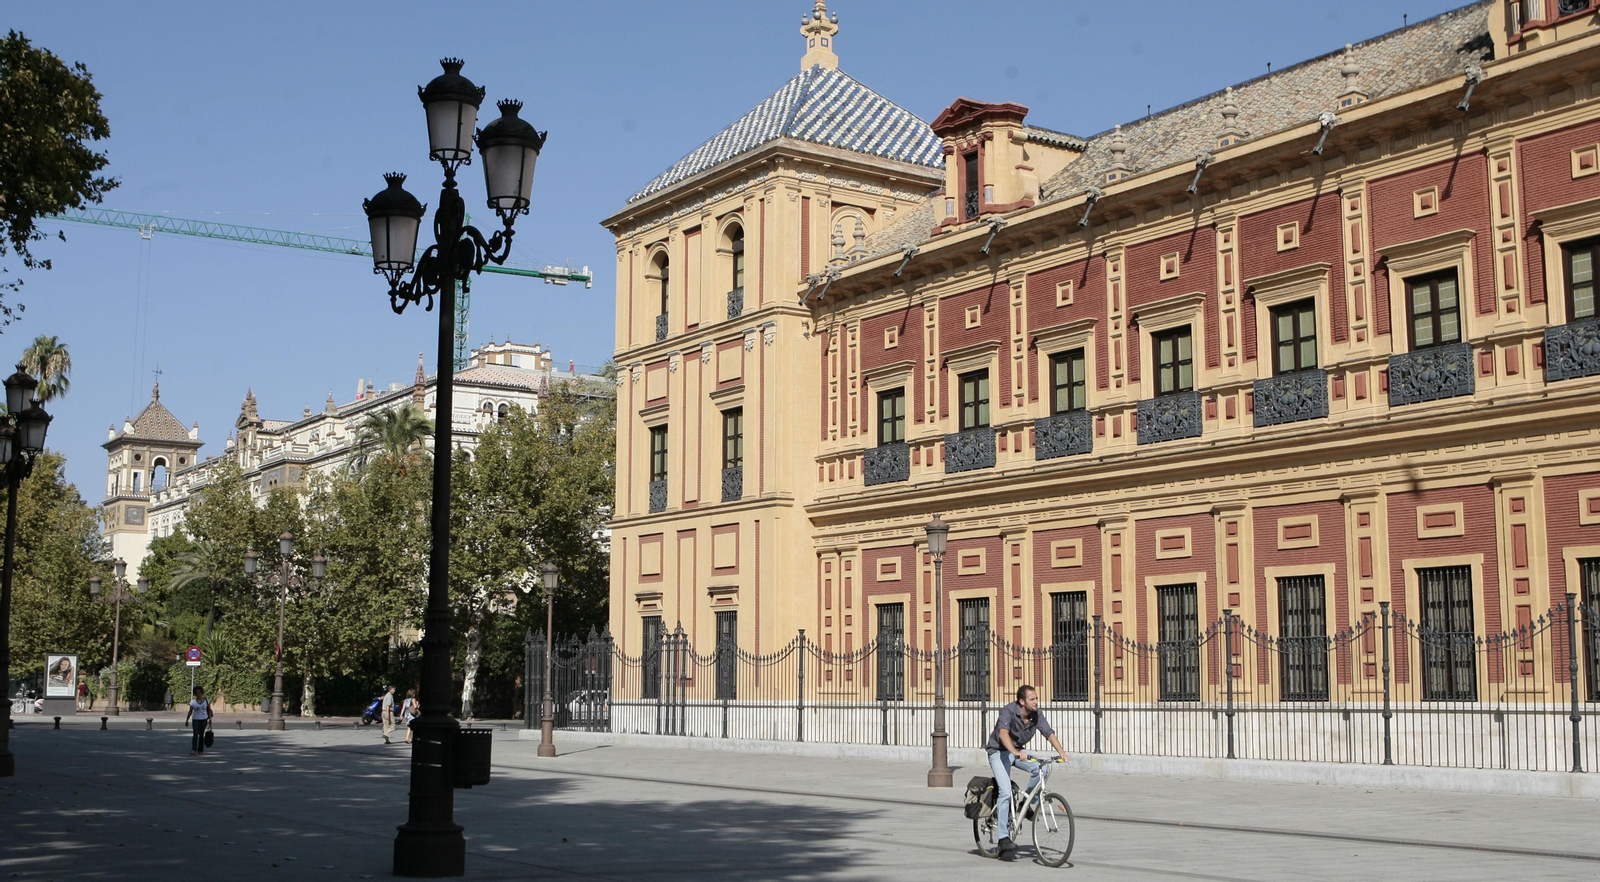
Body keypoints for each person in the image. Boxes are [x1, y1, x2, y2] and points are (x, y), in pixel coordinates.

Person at [984, 684, 1068, 858]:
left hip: (1017, 751)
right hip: (998, 752)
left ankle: (1026, 804)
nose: (1037, 701)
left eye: (1036, 698)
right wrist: (1014, 752)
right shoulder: (1008, 711)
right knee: (1005, 792)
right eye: (1033, 699)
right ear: (1022, 701)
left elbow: (1048, 732)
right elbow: (1003, 733)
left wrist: (1062, 752)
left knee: (1044, 768)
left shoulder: (1036, 714)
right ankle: (1003, 837)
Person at [184, 686, 213, 756]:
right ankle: (193, 749)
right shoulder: (193, 702)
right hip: (196, 719)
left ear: (201, 692)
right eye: (196, 692)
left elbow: (209, 710)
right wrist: (187, 720)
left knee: (201, 734)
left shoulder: (206, 700)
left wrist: (210, 719)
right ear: (195, 693)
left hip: (204, 719)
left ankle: (200, 749)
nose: (198, 694)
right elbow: (190, 711)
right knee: (195, 733)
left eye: (199, 692)